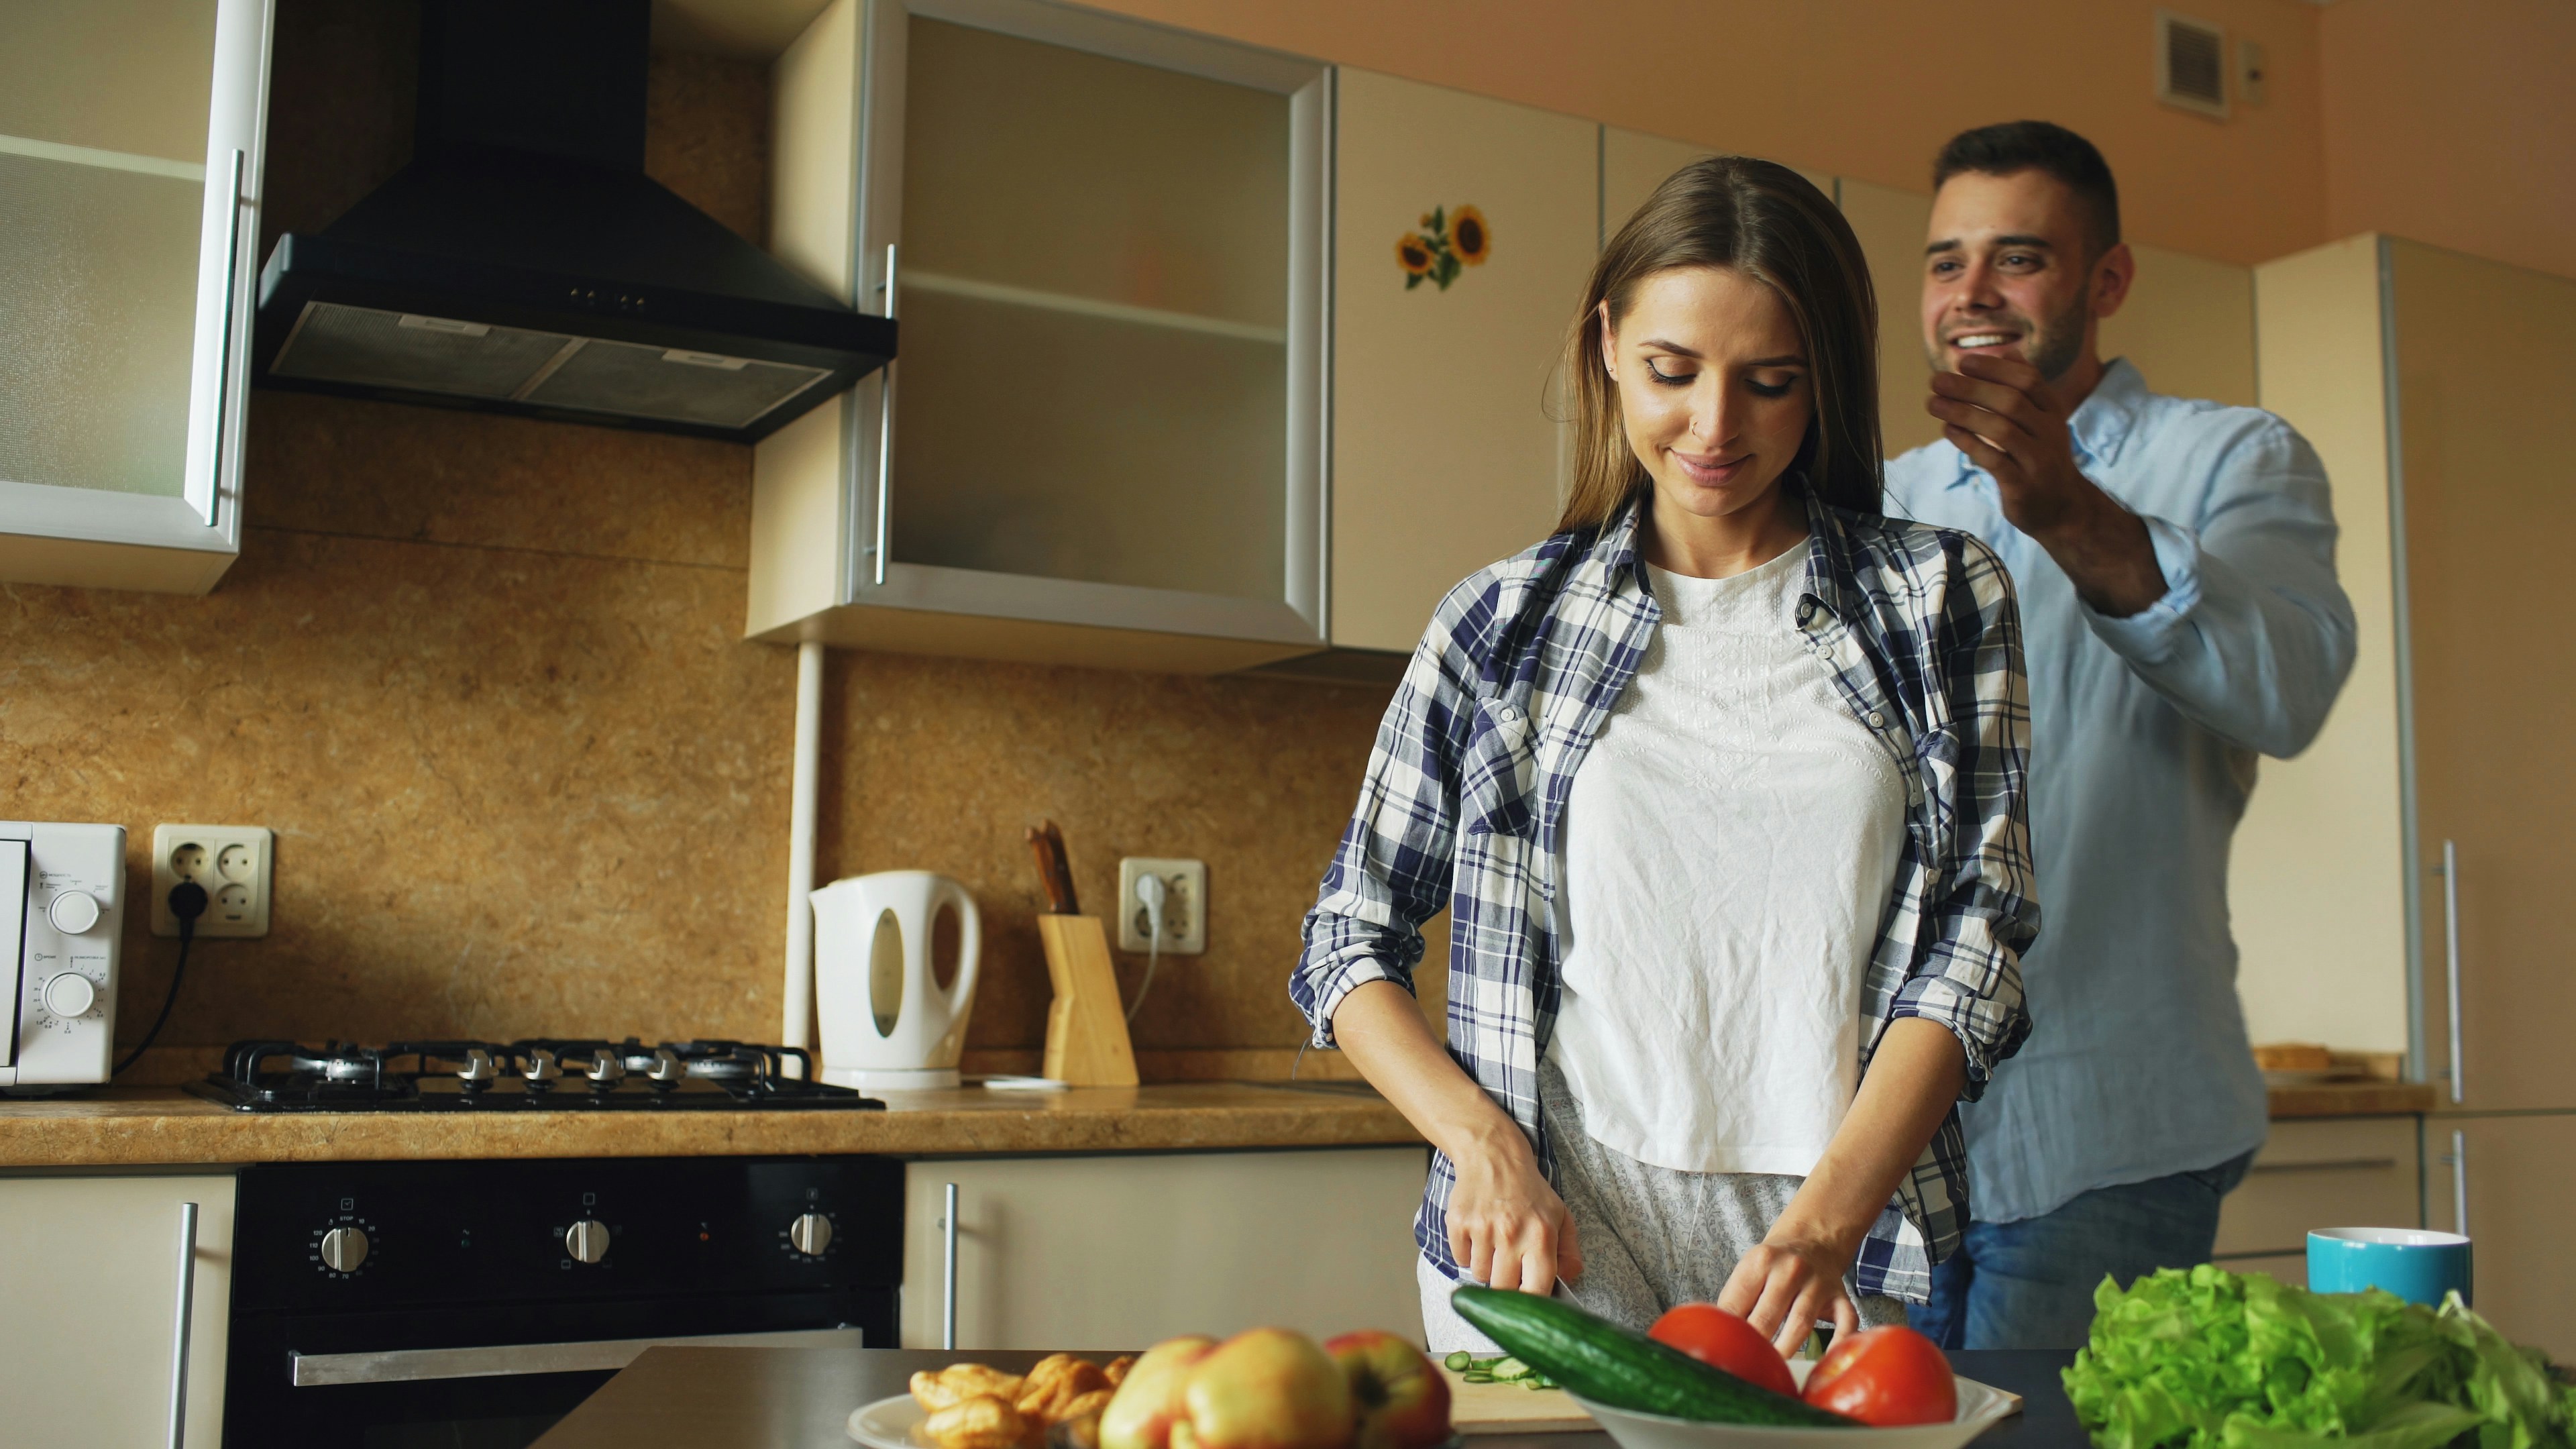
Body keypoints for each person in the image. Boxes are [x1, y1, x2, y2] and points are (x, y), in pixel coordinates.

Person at [1289, 156, 2037, 1354]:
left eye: (1771, 382)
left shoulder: (1940, 599)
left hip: (1823, 1251)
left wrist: (1828, 1224)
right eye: (1671, 372)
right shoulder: (1501, 623)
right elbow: (1348, 936)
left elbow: (1979, 935)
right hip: (1549, 1239)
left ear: (1825, 383)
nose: (1714, 427)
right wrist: (1480, 1146)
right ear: (1606, 347)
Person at [1885, 121, 2357, 1350]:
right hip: (1885, 1153)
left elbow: (2290, 687)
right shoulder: (1877, 498)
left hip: (2113, 1133)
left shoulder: (2232, 458)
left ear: (2106, 282)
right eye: (1946, 263)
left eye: (2018, 258)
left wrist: (2073, 514)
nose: (1972, 296)